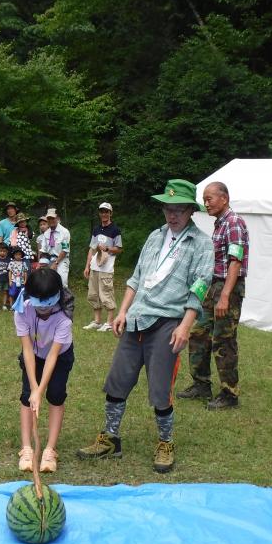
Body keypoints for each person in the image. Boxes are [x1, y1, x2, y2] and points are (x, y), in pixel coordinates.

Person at [77, 179, 213, 474]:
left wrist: (185, 326)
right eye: (168, 208)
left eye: (179, 209)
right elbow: (136, 278)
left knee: (161, 388)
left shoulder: (201, 243)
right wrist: (122, 311)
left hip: (168, 322)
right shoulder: (155, 236)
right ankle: (111, 438)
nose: (172, 215)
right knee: (118, 380)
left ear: (191, 210)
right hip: (136, 319)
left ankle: (165, 442)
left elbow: (199, 289)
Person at [178, 181, 249, 409]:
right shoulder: (219, 224)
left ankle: (229, 394)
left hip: (227, 287)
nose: (206, 203)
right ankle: (201, 384)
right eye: (204, 199)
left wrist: (225, 295)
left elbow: (235, 262)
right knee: (198, 334)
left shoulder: (234, 223)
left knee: (224, 340)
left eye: (210, 199)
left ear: (224, 198)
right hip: (211, 286)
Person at [13, 268, 74, 473]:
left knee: (55, 396)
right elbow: (27, 349)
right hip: (34, 355)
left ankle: (49, 449)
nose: (43, 311)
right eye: (40, 307)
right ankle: (27, 448)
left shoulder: (64, 318)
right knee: (27, 396)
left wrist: (41, 391)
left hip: (59, 356)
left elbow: (53, 356)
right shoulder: (22, 310)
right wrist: (34, 388)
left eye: (47, 307)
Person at [83, 202, 123, 332]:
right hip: (95, 267)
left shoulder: (115, 230)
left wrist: (107, 248)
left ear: (111, 213)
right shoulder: (96, 229)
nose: (104, 214)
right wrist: (87, 266)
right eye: (102, 211)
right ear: (99, 213)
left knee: (106, 294)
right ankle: (97, 321)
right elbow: (92, 249)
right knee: (93, 294)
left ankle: (109, 322)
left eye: (106, 212)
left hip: (106, 268)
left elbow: (119, 249)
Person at [44, 208, 71, 287]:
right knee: (49, 285)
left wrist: (56, 263)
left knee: (62, 283)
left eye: (52, 218)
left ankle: (64, 299)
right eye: (49, 218)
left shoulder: (65, 232)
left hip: (61, 261)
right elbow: (44, 250)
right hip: (49, 261)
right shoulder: (46, 233)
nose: (50, 220)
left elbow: (65, 250)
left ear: (58, 219)